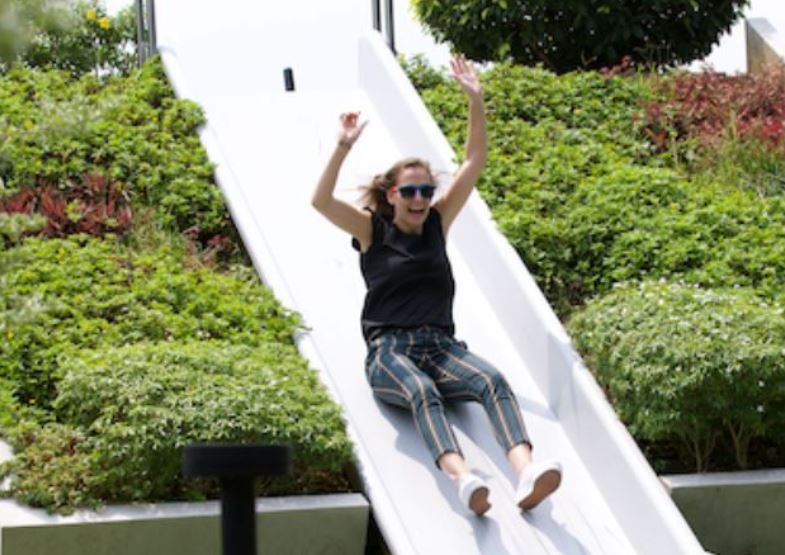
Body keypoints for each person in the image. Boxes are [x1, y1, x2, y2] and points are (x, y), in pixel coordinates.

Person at [311, 54, 561, 516]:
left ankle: (526, 471)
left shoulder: (437, 224)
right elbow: (320, 201)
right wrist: (343, 147)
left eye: (426, 191)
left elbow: (475, 160)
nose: (419, 199)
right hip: (390, 352)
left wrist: (475, 100)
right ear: (392, 195)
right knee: (422, 390)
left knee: (492, 379)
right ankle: (463, 479)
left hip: (442, 346)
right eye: (409, 192)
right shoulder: (372, 230)